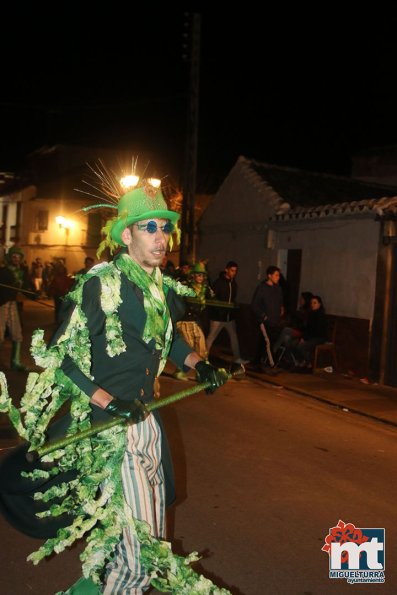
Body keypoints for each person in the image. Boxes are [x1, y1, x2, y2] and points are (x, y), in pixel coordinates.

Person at [2, 177, 228, 593]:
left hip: (145, 422)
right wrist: (108, 402)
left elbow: (168, 340)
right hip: (108, 431)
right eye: (150, 228)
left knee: (146, 536)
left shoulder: (158, 287)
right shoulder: (99, 283)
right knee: (140, 553)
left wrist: (201, 364)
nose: (162, 238)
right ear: (126, 234)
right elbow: (61, 355)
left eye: (165, 228)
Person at [173, 261, 215, 381]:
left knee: (201, 345)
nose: (200, 278)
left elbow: (213, 297)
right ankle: (179, 370)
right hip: (184, 320)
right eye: (197, 275)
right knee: (188, 345)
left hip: (195, 321)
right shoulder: (187, 286)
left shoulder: (205, 289)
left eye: (202, 275)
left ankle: (199, 372)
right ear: (193, 276)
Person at [206, 261, 247, 364]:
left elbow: (232, 299)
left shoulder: (233, 284)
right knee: (211, 338)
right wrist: (219, 310)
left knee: (234, 337)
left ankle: (237, 358)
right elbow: (212, 298)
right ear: (226, 270)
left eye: (235, 271)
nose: (234, 273)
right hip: (218, 317)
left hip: (229, 317)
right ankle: (203, 358)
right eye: (232, 270)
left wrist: (233, 308)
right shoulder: (219, 283)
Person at [0, 246, 33, 371]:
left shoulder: (21, 273)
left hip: (12, 304)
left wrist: (34, 295)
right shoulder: (3, 271)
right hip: (1, 304)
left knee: (16, 333)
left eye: (18, 257)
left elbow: (25, 288)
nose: (16, 259)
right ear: (10, 258)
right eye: (14, 256)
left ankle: (15, 362)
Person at [250, 265, 284, 369]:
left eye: (279, 275)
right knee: (268, 341)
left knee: (265, 341)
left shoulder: (278, 288)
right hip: (265, 321)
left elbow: (280, 301)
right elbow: (255, 305)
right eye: (276, 275)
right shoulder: (262, 288)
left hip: (275, 320)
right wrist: (263, 316)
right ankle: (272, 364)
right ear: (269, 276)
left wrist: (281, 309)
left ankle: (256, 361)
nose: (278, 277)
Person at [291, 294, 327, 369]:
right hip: (311, 337)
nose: (312, 305)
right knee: (293, 343)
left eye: (315, 303)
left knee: (301, 346)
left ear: (319, 304)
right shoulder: (311, 314)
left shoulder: (321, 316)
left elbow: (316, 331)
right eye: (311, 303)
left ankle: (309, 362)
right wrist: (303, 337)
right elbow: (308, 329)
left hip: (319, 338)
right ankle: (302, 361)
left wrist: (305, 338)